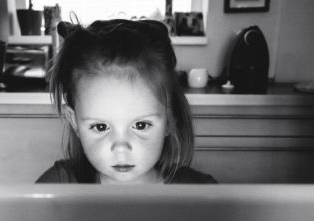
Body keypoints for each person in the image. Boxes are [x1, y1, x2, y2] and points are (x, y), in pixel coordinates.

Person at [36, 19, 216, 184]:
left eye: (141, 125)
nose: (121, 148)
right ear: (74, 121)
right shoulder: (58, 185)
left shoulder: (202, 194)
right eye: (100, 127)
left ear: (170, 119)